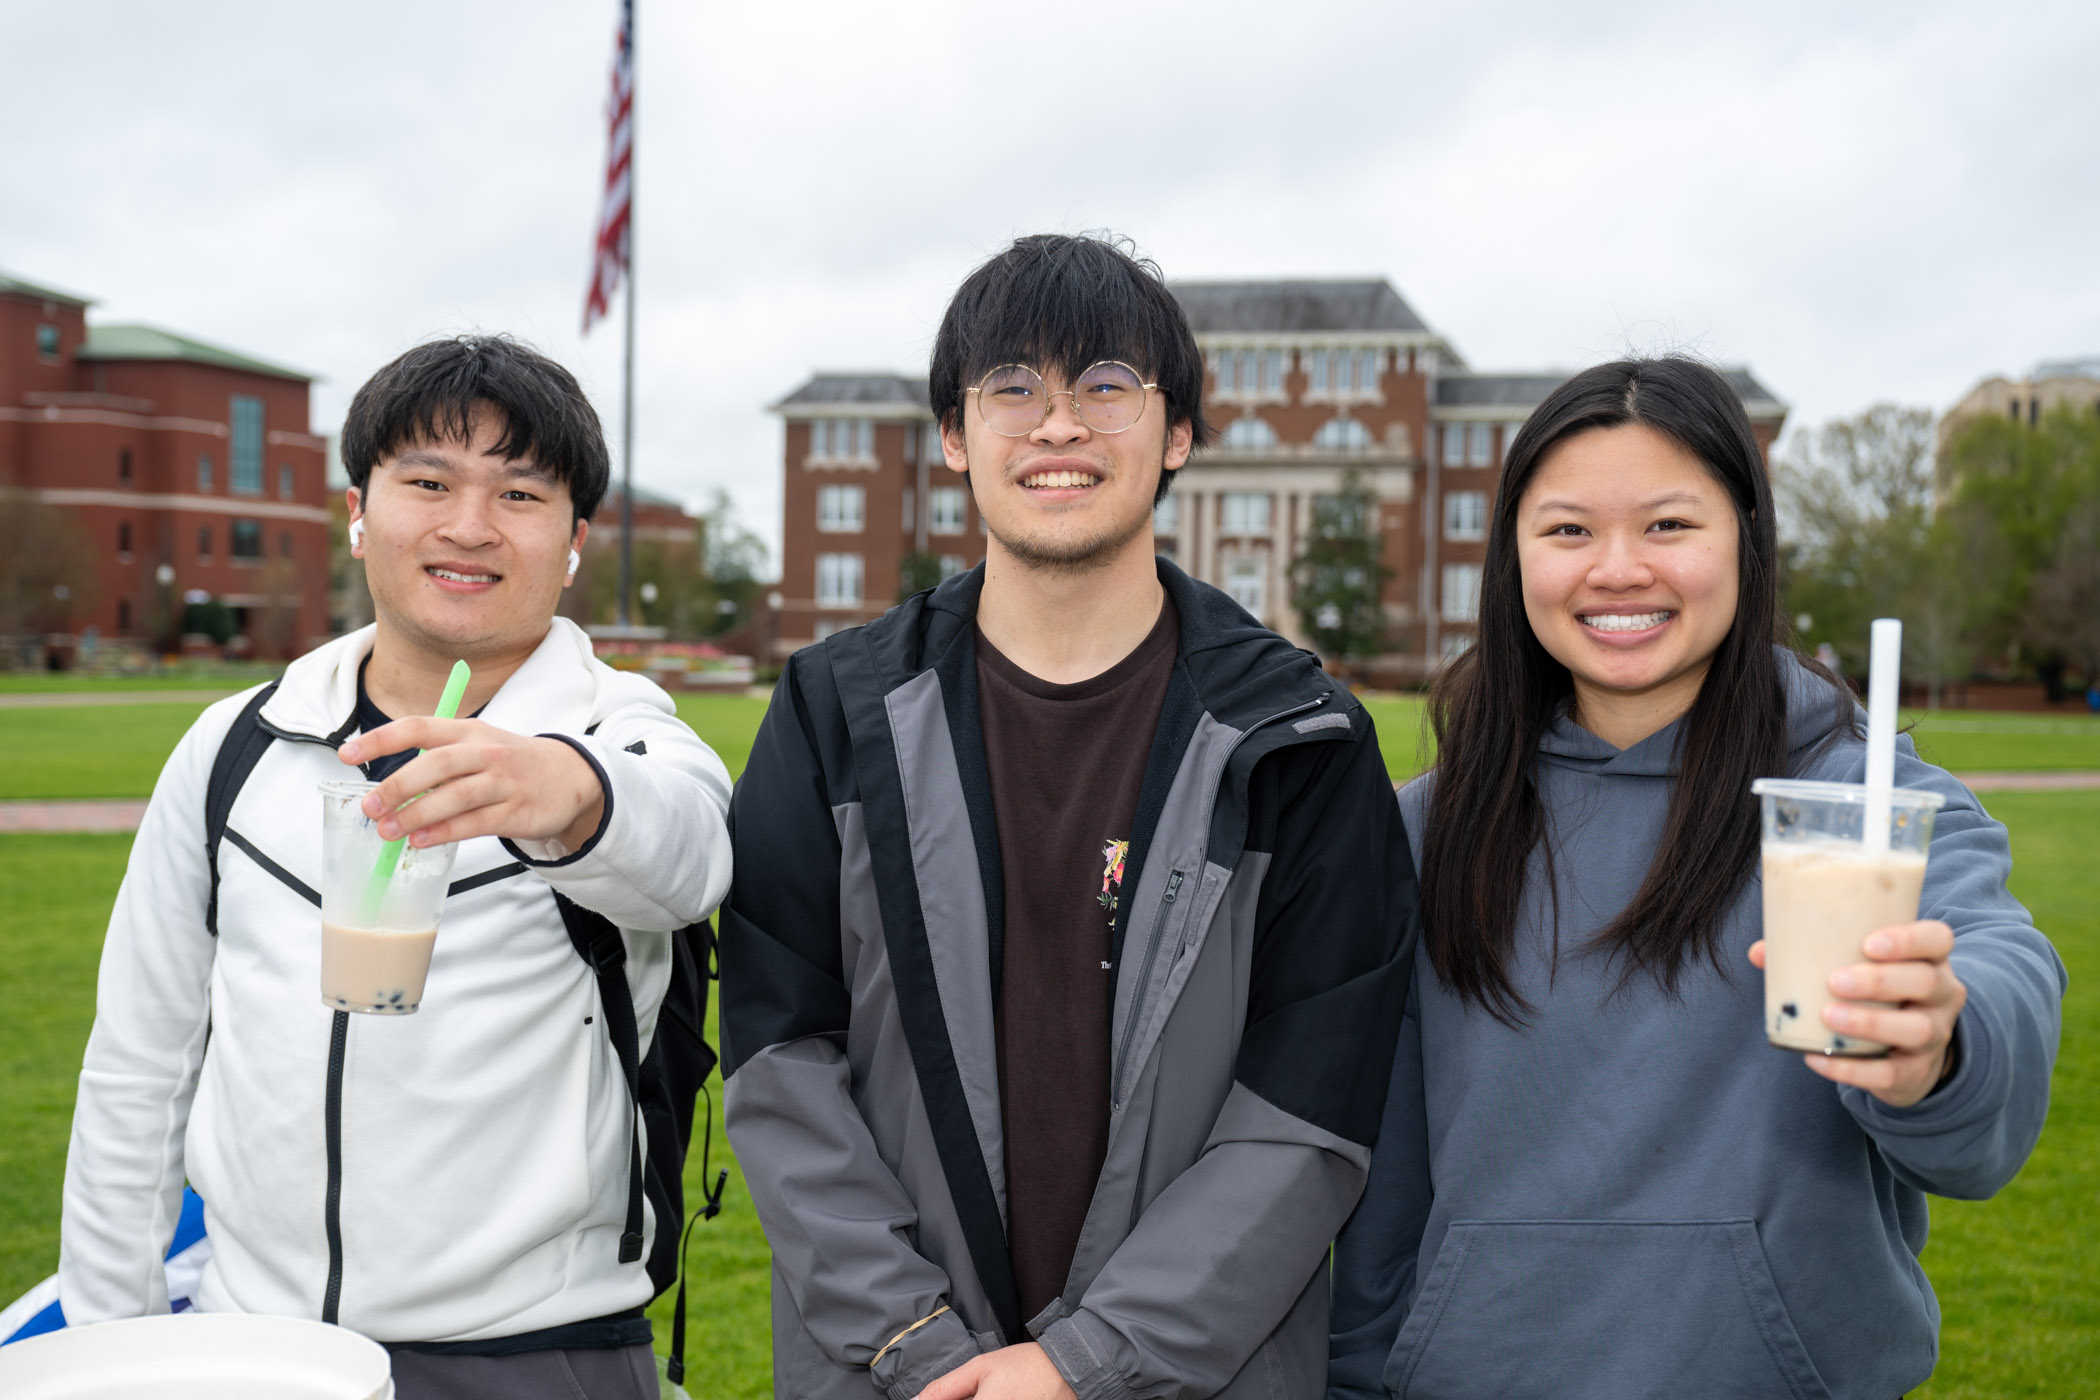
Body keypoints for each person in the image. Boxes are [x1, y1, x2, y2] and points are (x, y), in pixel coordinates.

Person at [720, 233, 1416, 1400]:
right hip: (896, 1376)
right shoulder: (833, 712)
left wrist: (1089, 1362)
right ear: (954, 435)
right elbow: (780, 1057)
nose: (1058, 425)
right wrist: (913, 1341)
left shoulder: (1300, 742)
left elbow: (1311, 1110)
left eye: (1105, 386)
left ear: (1178, 431)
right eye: (1013, 388)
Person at [1327, 357, 2066, 1400]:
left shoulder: (1860, 804)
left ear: (1747, 543)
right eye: (1570, 529)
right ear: (1513, 556)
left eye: (1670, 525)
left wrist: (1940, 1043)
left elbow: (2002, 969)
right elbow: (1379, 1184)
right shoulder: (1426, 829)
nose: (1619, 568)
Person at [60, 336, 733, 1400]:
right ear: (358, 510)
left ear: (573, 543)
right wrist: (106, 1338)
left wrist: (565, 789)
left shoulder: (621, 730)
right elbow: (139, 1064)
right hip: (253, 1345)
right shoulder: (236, 744)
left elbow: (692, 854)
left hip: (537, 1355)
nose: (469, 525)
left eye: (519, 491)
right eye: (428, 482)